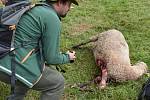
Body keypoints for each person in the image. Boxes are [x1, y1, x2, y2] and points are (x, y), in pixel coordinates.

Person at [0, 0, 78, 99]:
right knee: (57, 82)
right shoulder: (51, 18)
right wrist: (67, 57)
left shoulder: (34, 7)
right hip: (7, 66)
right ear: (60, 2)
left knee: (31, 65)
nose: (69, 9)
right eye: (69, 4)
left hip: (3, 53)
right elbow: (51, 58)